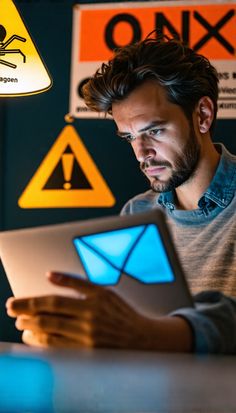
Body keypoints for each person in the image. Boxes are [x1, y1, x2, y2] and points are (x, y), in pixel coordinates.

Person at [6, 34, 236, 353]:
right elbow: (123, 325)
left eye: (153, 131)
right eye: (129, 137)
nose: (142, 153)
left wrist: (151, 335)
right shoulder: (137, 213)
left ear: (203, 115)